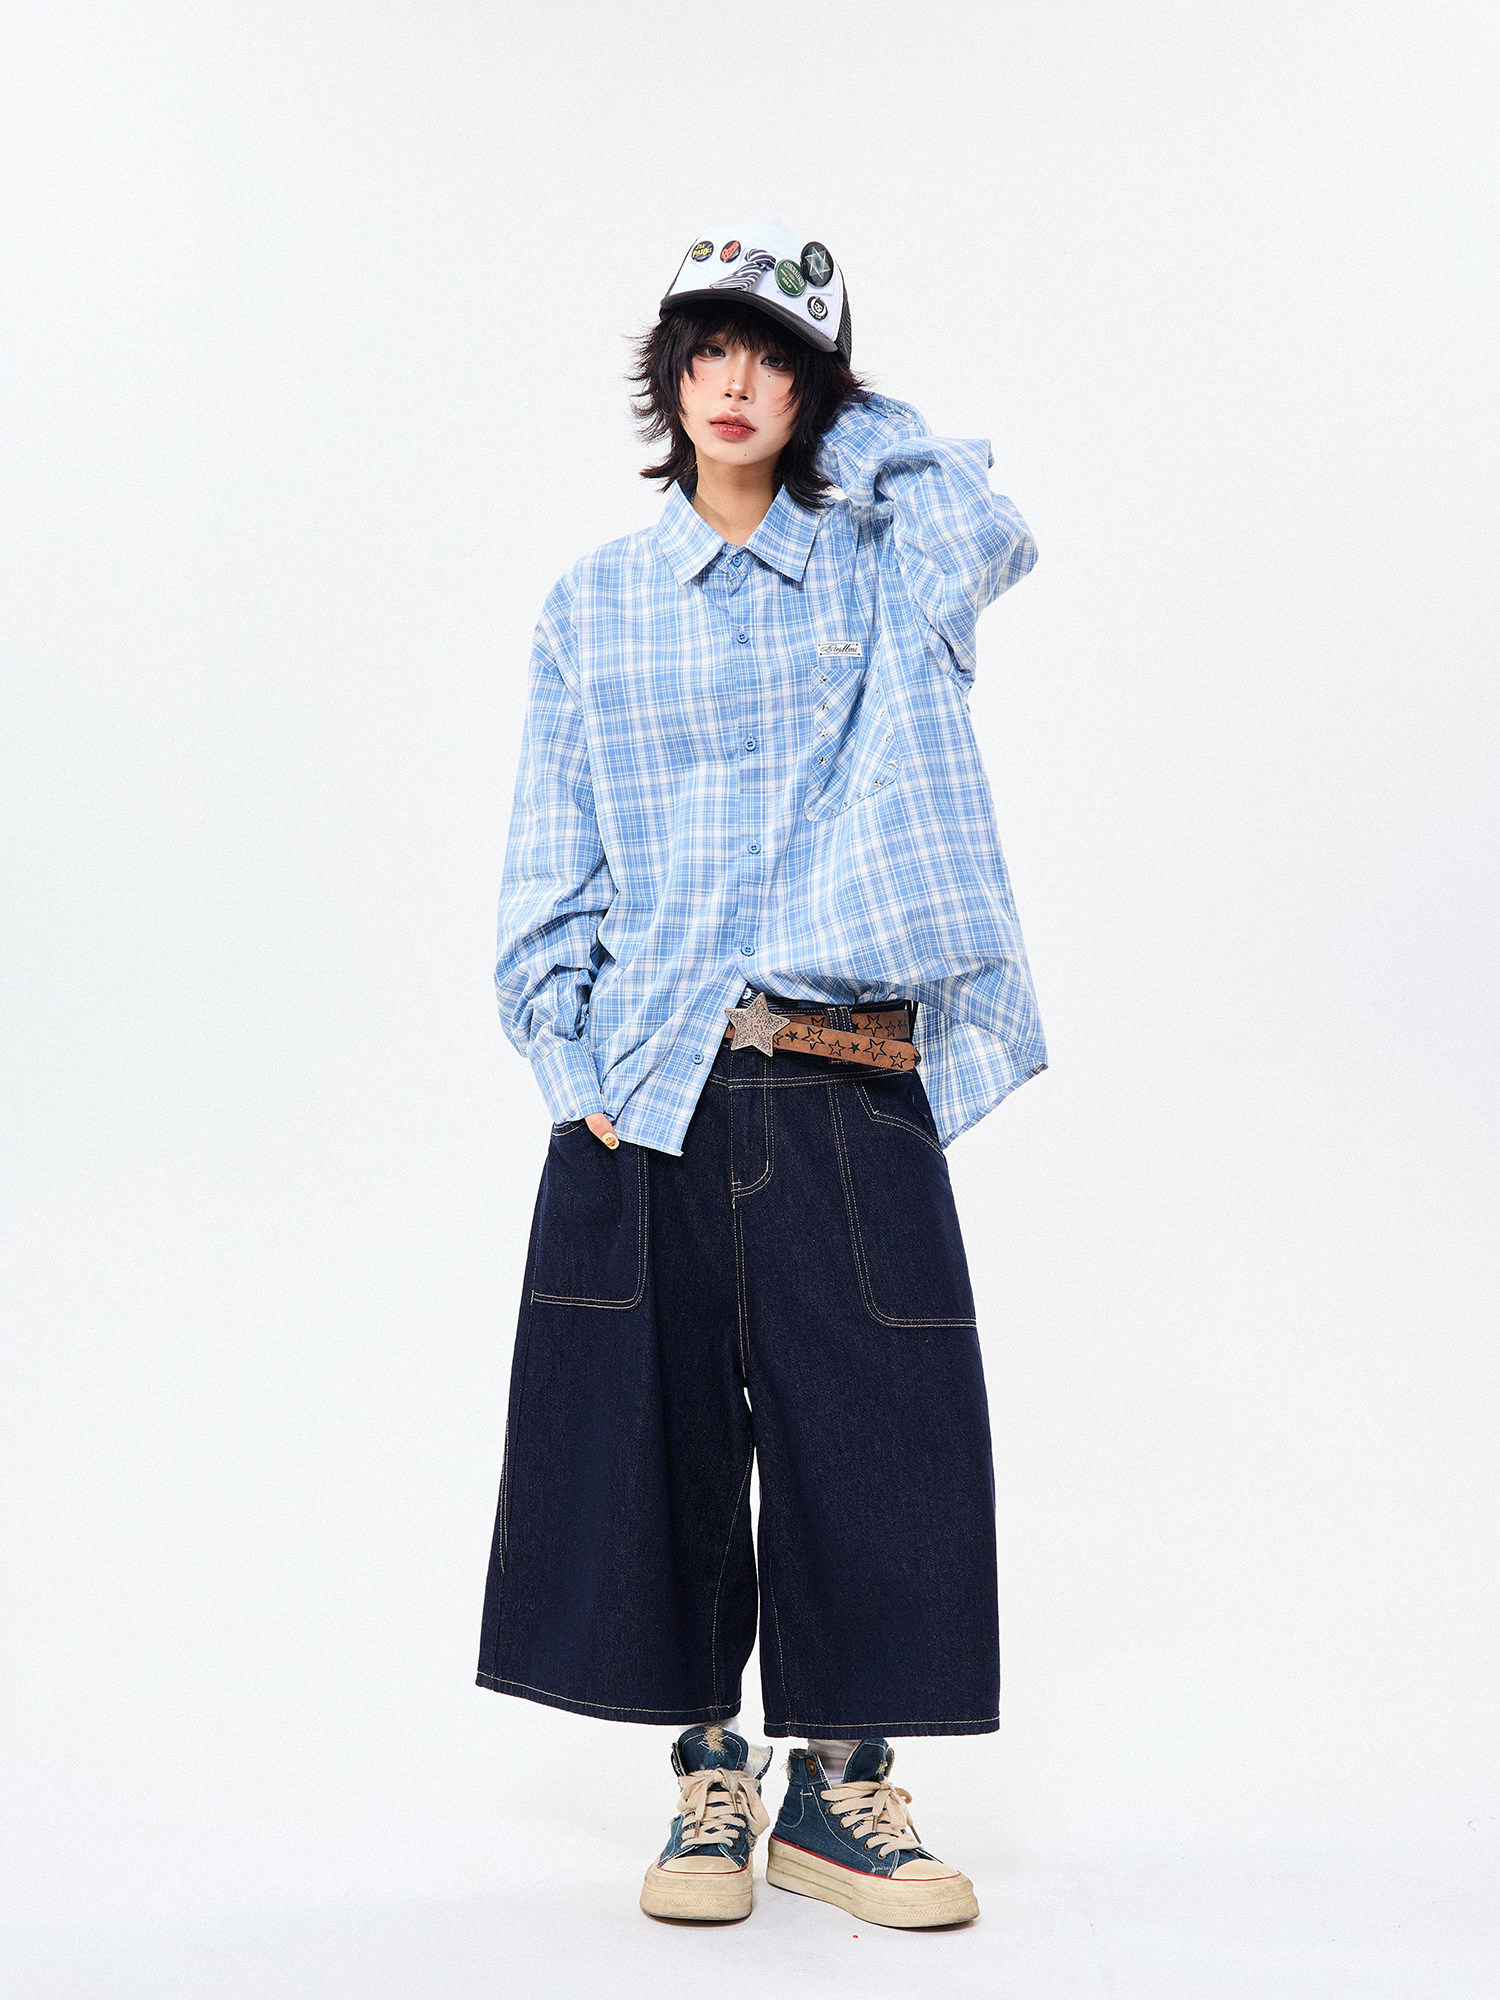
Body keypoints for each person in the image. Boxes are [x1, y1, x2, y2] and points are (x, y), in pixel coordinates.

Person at [476, 220, 1045, 1930]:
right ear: (670, 372)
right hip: (646, 1088)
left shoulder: (884, 568)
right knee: (647, 1446)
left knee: (879, 1438)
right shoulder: (593, 604)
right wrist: (570, 1056)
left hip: (841, 1072)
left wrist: (863, 430)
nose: (737, 384)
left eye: (779, 358)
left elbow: (991, 533)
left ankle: (842, 1791)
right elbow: (550, 863)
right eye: (711, 350)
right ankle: (708, 1783)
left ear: (819, 392)